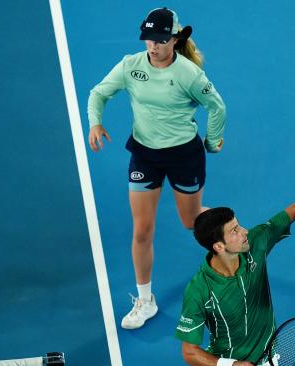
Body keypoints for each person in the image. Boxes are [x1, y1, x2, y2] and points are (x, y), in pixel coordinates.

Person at [87, 7, 227, 329]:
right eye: (150, 39)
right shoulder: (130, 65)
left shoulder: (189, 74)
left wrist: (212, 140)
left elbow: (216, 106)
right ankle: (145, 300)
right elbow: (98, 93)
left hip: (183, 155)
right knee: (142, 230)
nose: (154, 46)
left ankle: (233, 229)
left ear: (175, 40)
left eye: (162, 40)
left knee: (191, 222)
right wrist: (96, 123)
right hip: (145, 155)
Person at [175, 201, 295, 365]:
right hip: (230, 359)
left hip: (269, 354)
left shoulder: (255, 243)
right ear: (219, 246)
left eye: (239, 225)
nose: (244, 231)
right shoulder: (199, 291)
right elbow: (189, 352)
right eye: (235, 231)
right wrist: (231, 365)